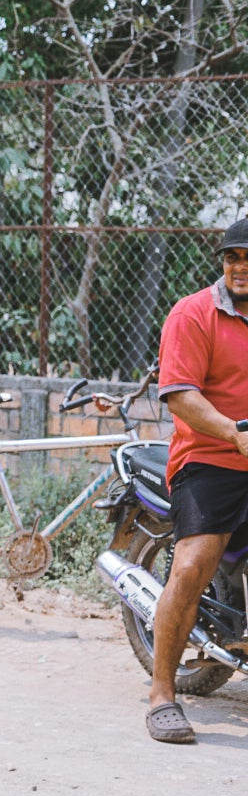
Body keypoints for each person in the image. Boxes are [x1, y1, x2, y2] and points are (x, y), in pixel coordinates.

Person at [145, 219, 248, 744]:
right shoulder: (193, 313)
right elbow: (180, 394)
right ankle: (163, 694)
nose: (239, 267)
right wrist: (234, 434)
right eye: (232, 257)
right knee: (191, 565)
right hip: (209, 458)